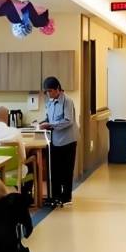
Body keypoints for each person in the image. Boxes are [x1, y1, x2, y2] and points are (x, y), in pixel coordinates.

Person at [40, 76, 79, 204]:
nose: (48, 94)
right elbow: (48, 117)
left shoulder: (67, 101)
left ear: (57, 89)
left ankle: (66, 197)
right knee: (54, 169)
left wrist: (50, 125)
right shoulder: (50, 102)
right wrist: (43, 123)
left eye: (50, 91)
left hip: (68, 140)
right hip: (55, 140)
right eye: (46, 91)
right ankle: (55, 195)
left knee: (66, 170)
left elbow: (68, 120)